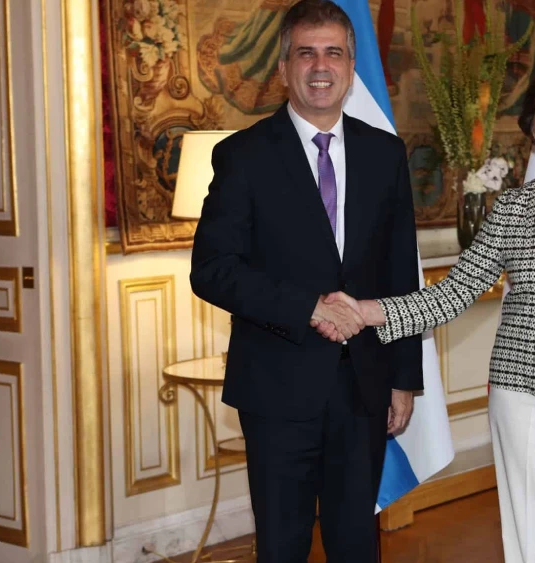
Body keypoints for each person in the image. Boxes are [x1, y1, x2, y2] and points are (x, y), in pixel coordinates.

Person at [316, 64, 535, 562]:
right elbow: (452, 294)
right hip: (521, 396)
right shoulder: (511, 210)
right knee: (531, 539)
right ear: (531, 129)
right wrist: (367, 311)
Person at [189, 1, 424, 560]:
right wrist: (308, 307)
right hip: (276, 387)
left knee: (355, 544)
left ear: (350, 63)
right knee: (282, 546)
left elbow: (400, 272)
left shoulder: (385, 154)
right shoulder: (241, 156)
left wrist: (403, 378)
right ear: (284, 64)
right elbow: (213, 270)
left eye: (333, 53)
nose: (321, 66)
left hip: (363, 388)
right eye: (306, 52)